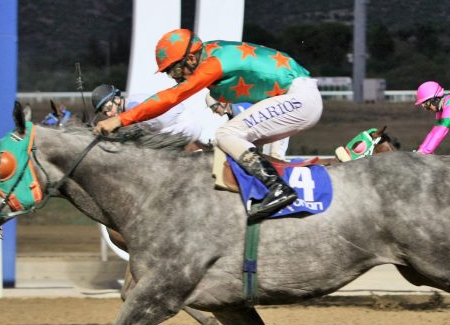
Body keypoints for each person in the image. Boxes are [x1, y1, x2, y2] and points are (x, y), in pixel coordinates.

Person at [95, 28, 323, 222]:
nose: (175, 77)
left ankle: (278, 188)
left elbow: (173, 96)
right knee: (228, 147)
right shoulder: (209, 51)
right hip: (294, 96)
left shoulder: (212, 64)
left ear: (191, 59)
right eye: (169, 73)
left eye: (175, 70)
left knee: (226, 134)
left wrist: (120, 119)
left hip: (299, 99)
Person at [90, 83, 201, 143]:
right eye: (105, 113)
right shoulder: (129, 104)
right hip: (175, 125)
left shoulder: (131, 106)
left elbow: (152, 127)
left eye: (109, 108)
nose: (109, 114)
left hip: (183, 125)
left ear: (117, 99)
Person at [205, 95, 290, 160]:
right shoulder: (233, 112)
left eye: (214, 107)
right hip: (270, 131)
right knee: (266, 159)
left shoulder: (238, 110)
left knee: (275, 157)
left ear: (223, 103)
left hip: (277, 127)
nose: (213, 111)